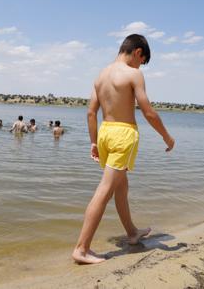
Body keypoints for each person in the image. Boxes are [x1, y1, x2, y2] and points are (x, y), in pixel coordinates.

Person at [72, 34, 175, 265]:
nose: (141, 66)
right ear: (138, 52)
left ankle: (131, 232)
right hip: (123, 135)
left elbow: (91, 112)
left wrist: (94, 142)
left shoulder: (100, 75)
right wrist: (167, 137)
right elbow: (148, 112)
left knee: (121, 186)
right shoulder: (133, 74)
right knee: (106, 189)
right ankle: (81, 248)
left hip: (105, 134)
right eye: (142, 60)